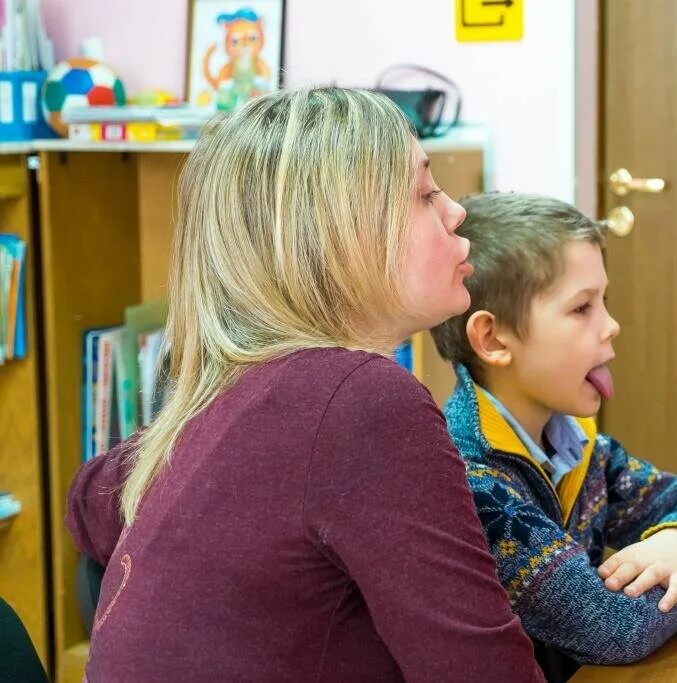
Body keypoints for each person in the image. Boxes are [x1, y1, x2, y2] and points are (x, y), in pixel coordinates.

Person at [66, 88, 544, 682]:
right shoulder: (361, 400)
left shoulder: (235, 388)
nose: (456, 211)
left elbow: (88, 497)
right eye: (425, 194)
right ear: (336, 236)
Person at [430, 193, 677, 676]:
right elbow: (611, 629)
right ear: (493, 340)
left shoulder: (578, 447)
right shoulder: (471, 479)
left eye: (604, 301)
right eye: (582, 308)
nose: (612, 326)